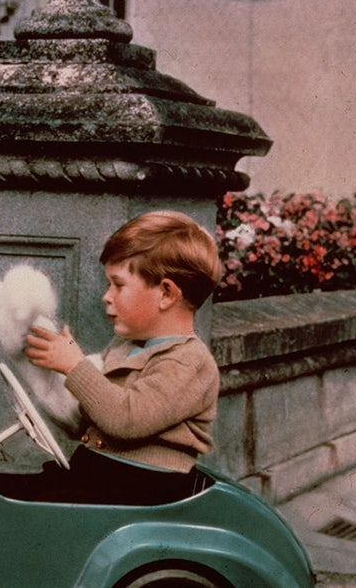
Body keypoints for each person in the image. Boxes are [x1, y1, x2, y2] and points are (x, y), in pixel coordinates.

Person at [18, 210, 224, 506]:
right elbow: (88, 414)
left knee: (32, 506)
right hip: (103, 478)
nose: (107, 296)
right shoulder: (124, 346)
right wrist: (54, 372)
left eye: (118, 284)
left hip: (142, 489)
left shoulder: (189, 362)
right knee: (11, 489)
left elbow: (126, 419)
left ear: (166, 294)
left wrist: (74, 365)